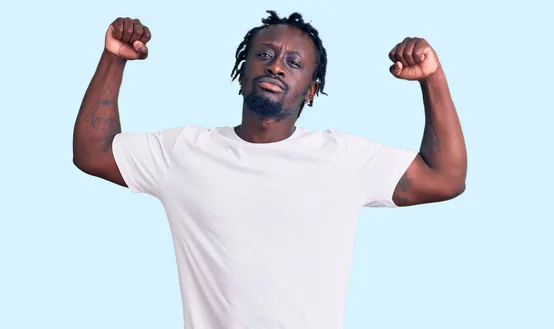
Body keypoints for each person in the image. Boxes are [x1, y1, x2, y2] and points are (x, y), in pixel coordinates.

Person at [72, 10, 467, 329]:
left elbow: (445, 178)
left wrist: (432, 78)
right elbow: (93, 153)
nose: (277, 66)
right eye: (264, 55)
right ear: (241, 72)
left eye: (294, 63)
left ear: (312, 89)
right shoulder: (185, 152)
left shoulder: (343, 158)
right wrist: (114, 57)